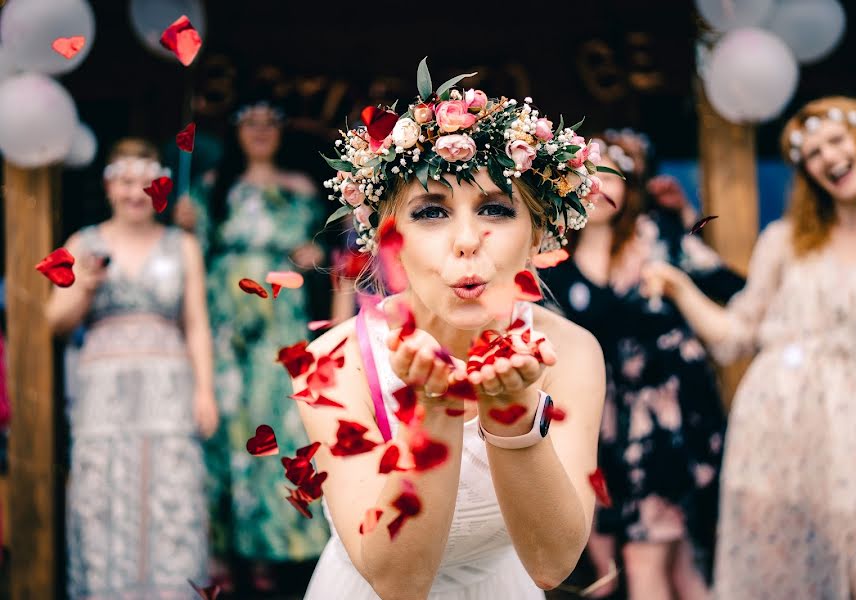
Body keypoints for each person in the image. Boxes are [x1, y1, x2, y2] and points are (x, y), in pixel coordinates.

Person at [289, 63, 607, 599]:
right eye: (432, 211)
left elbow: (551, 564)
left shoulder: (571, 352)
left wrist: (512, 412)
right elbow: (398, 583)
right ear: (390, 239)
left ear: (538, 236)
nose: (466, 239)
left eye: (496, 209)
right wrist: (433, 407)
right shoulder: (333, 365)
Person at [642, 96, 856, 599]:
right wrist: (680, 288)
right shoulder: (784, 241)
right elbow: (735, 336)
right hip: (772, 419)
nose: (827, 157)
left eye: (836, 141)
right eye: (812, 152)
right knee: (778, 567)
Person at [542, 135, 739, 599]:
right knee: (614, 565)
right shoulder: (553, 261)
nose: (599, 186)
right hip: (601, 424)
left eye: (612, 174)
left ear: (631, 186)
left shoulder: (660, 238)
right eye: (588, 175)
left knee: (661, 555)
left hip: (665, 423)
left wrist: (684, 247)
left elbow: (729, 286)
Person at [45, 138, 217, 598]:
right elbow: (54, 321)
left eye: (147, 183)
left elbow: (197, 324)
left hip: (168, 386)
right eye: (125, 182)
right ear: (108, 185)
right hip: (104, 390)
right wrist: (83, 287)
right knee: (104, 487)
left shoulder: (182, 245)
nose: (135, 192)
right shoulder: (82, 242)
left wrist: (205, 390)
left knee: (170, 485)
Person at [173, 97, 330, 592]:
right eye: (250, 122)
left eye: (270, 122)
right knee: (228, 428)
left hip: (280, 321)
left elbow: (326, 252)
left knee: (278, 425)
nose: (260, 131)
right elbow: (189, 260)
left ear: (281, 132)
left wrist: (314, 253)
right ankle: (230, 552)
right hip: (225, 325)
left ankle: (279, 553)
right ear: (237, 131)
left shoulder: (301, 189)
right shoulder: (212, 189)